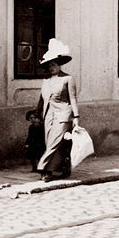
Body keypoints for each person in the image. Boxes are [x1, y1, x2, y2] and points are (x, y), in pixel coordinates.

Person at [35, 38, 81, 182]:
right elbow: (42, 100)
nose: (51, 67)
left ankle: (45, 169)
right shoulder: (46, 81)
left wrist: (76, 117)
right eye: (49, 65)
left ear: (59, 65)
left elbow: (73, 99)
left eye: (54, 64)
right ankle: (64, 168)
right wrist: (37, 113)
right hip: (48, 116)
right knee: (53, 144)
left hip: (63, 115)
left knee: (55, 142)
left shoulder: (68, 79)